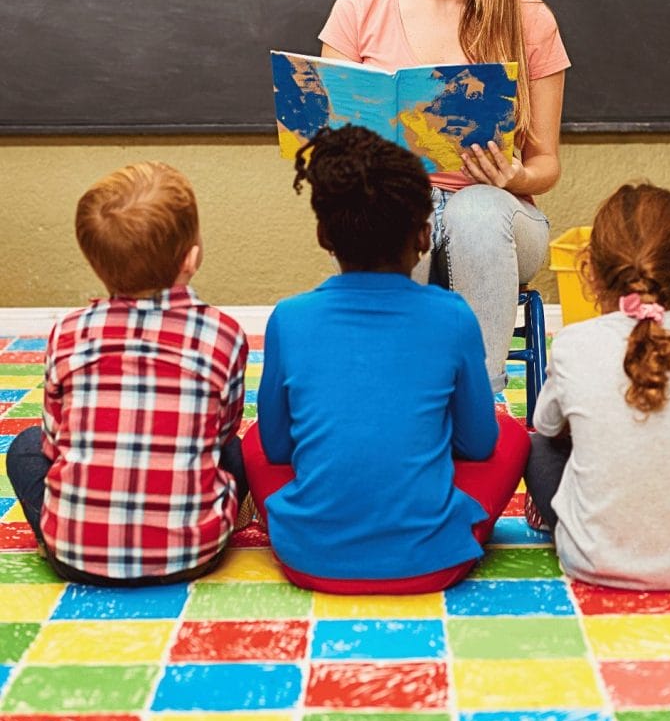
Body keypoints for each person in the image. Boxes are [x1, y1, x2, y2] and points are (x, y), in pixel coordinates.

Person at [319, 0, 569, 394]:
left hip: (499, 219)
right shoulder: (360, 7)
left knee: (475, 210)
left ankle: (479, 400)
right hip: (397, 212)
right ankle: (396, 398)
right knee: (397, 210)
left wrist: (515, 177)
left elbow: (546, 163)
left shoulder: (530, 20)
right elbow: (328, 143)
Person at [242, 124, 530, 593]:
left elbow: (275, 448)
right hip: (431, 561)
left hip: (309, 558)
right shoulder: (453, 316)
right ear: (424, 236)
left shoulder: (288, 318)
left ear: (323, 235)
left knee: (253, 438)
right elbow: (478, 445)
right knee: (513, 435)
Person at [6, 162, 251, 586]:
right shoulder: (223, 335)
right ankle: (214, 517)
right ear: (192, 258)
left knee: (24, 448)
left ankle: (60, 534)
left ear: (95, 263)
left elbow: (53, 441)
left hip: (76, 557)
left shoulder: (67, 333)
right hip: (192, 555)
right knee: (236, 449)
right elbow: (222, 431)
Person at [525, 183, 670, 589]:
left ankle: (565, 523)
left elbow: (545, 428)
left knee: (536, 446)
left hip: (588, 559)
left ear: (590, 272)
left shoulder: (571, 342)